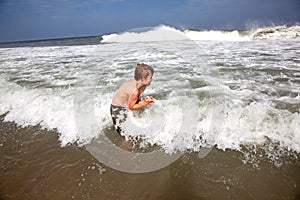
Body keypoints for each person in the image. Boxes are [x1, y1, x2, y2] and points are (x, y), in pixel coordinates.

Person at [110, 63, 155, 135]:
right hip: (117, 109)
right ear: (143, 78)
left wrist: (145, 101)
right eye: (150, 77)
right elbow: (131, 107)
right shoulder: (134, 90)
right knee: (124, 133)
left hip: (125, 105)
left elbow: (135, 100)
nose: (152, 79)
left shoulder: (142, 84)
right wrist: (145, 103)